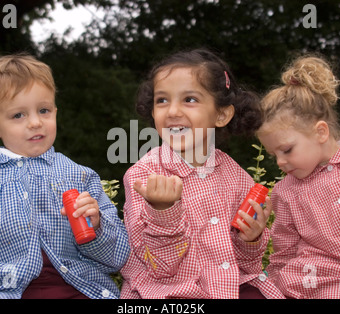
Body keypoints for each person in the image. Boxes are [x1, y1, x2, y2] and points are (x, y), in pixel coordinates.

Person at [0, 54, 129, 299]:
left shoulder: (80, 176)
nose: (36, 122)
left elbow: (117, 257)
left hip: (76, 288)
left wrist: (97, 226)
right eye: (19, 115)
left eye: (44, 110)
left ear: (56, 112)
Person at [120, 48, 285, 299]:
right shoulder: (143, 177)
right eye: (162, 100)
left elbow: (247, 265)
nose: (173, 111)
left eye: (190, 99)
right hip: (170, 293)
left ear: (221, 114)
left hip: (230, 286)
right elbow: (160, 269)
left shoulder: (236, 176)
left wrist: (251, 239)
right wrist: (163, 212)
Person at [257, 54, 340, 298]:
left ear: (320, 132)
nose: (280, 162)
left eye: (286, 150)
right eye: (273, 155)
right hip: (325, 278)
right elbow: (284, 252)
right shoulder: (287, 192)